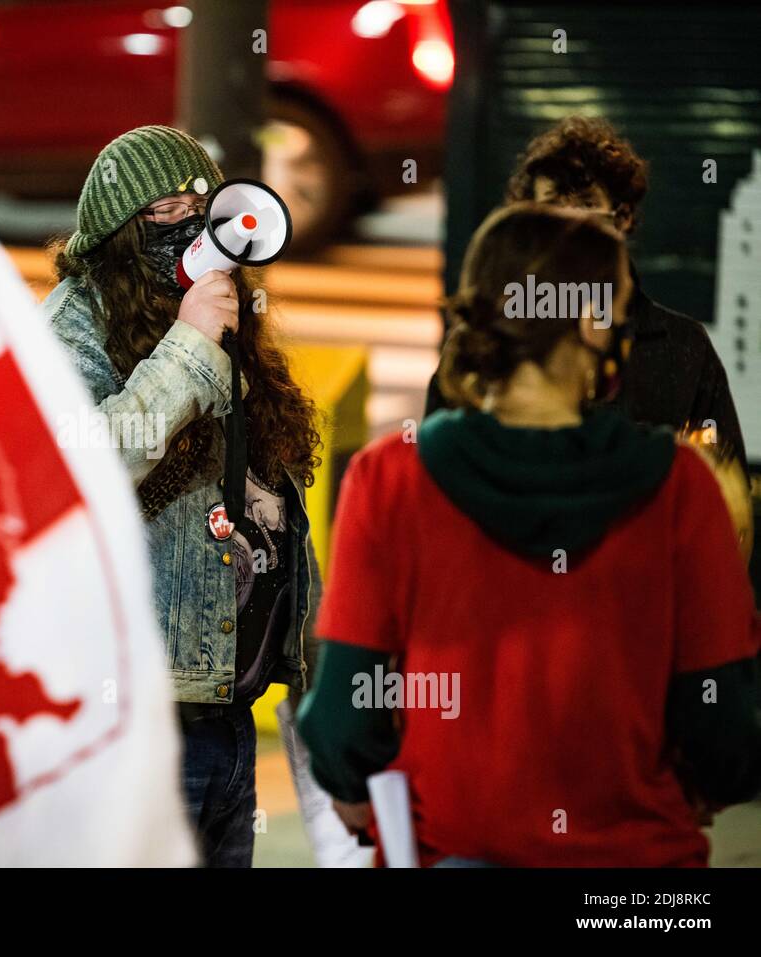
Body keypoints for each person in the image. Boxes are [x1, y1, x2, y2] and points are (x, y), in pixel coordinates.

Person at [299, 202, 761, 867]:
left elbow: (342, 720)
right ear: (588, 325)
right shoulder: (683, 489)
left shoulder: (390, 481)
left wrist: (355, 788)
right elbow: (725, 734)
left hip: (451, 849)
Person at [43, 125, 322, 867]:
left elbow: (271, 499)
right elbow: (80, 466)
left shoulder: (225, 310)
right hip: (136, 721)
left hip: (226, 709)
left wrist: (313, 654)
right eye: (163, 212)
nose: (191, 227)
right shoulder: (76, 327)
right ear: (115, 236)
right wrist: (189, 349)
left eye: (202, 205)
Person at [426, 115, 753, 564]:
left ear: (622, 220)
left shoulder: (683, 348)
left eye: (581, 210)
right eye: (548, 213)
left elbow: (726, 513)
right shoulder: (485, 339)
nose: (565, 233)